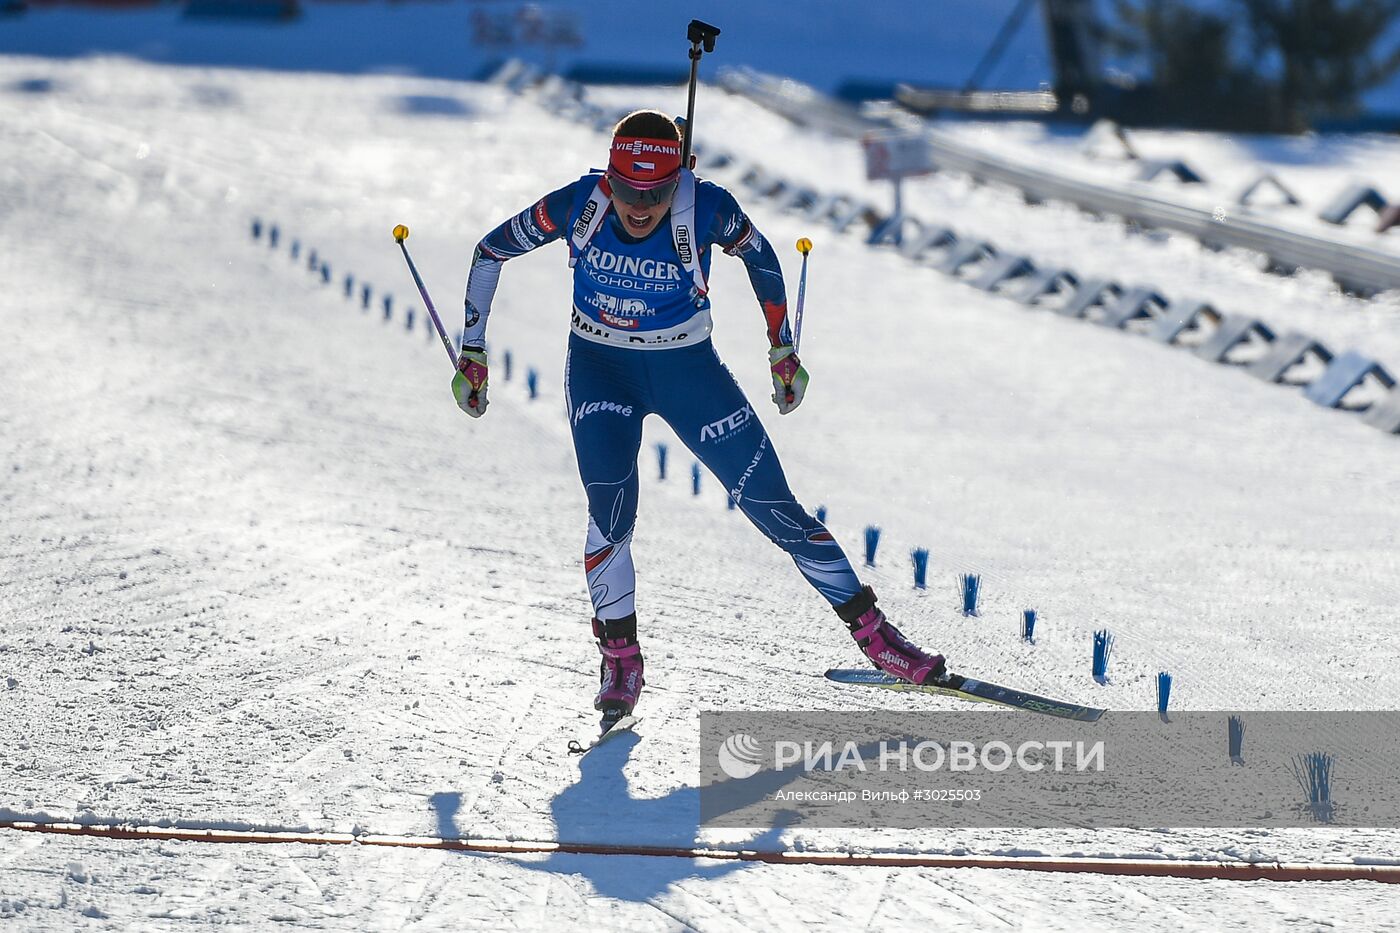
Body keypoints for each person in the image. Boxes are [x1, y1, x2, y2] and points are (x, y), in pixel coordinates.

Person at [454, 109, 944, 720]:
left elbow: (762, 257)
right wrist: (472, 350)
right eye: (629, 190)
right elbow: (490, 250)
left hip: (689, 372)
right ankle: (620, 657)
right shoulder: (580, 203)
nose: (640, 206)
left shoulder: (706, 207)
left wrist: (782, 348)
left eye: (656, 192)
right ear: (610, 177)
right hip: (602, 369)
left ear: (678, 178)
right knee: (610, 509)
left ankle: (875, 636)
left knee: (773, 504)